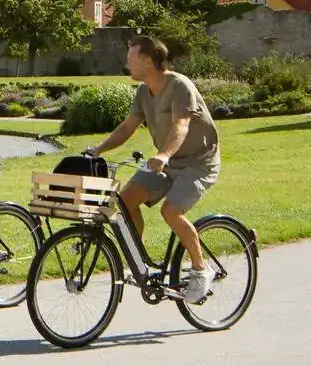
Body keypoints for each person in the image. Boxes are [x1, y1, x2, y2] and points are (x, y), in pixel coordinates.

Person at [85, 33, 221, 303]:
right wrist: (98, 150)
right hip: (165, 163)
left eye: (130, 58)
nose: (126, 63)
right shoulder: (143, 92)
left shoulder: (180, 86)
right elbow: (127, 127)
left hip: (197, 163)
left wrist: (164, 155)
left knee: (171, 211)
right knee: (124, 202)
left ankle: (200, 269)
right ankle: (140, 262)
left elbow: (180, 125)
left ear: (147, 61)